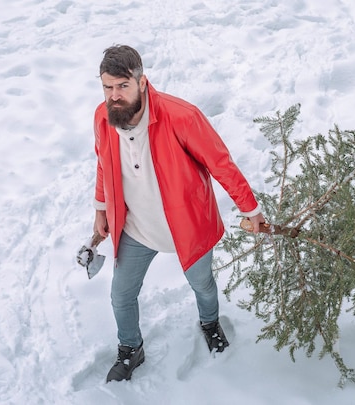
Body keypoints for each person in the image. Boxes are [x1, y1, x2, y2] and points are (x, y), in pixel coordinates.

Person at [92, 45, 265, 382]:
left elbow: (221, 164)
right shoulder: (103, 117)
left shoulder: (181, 116)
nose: (114, 96)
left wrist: (250, 208)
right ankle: (131, 348)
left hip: (187, 226)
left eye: (122, 86)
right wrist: (101, 209)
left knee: (203, 285)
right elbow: (104, 164)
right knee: (120, 295)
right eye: (107, 87)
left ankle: (210, 323)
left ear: (142, 82)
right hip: (137, 229)